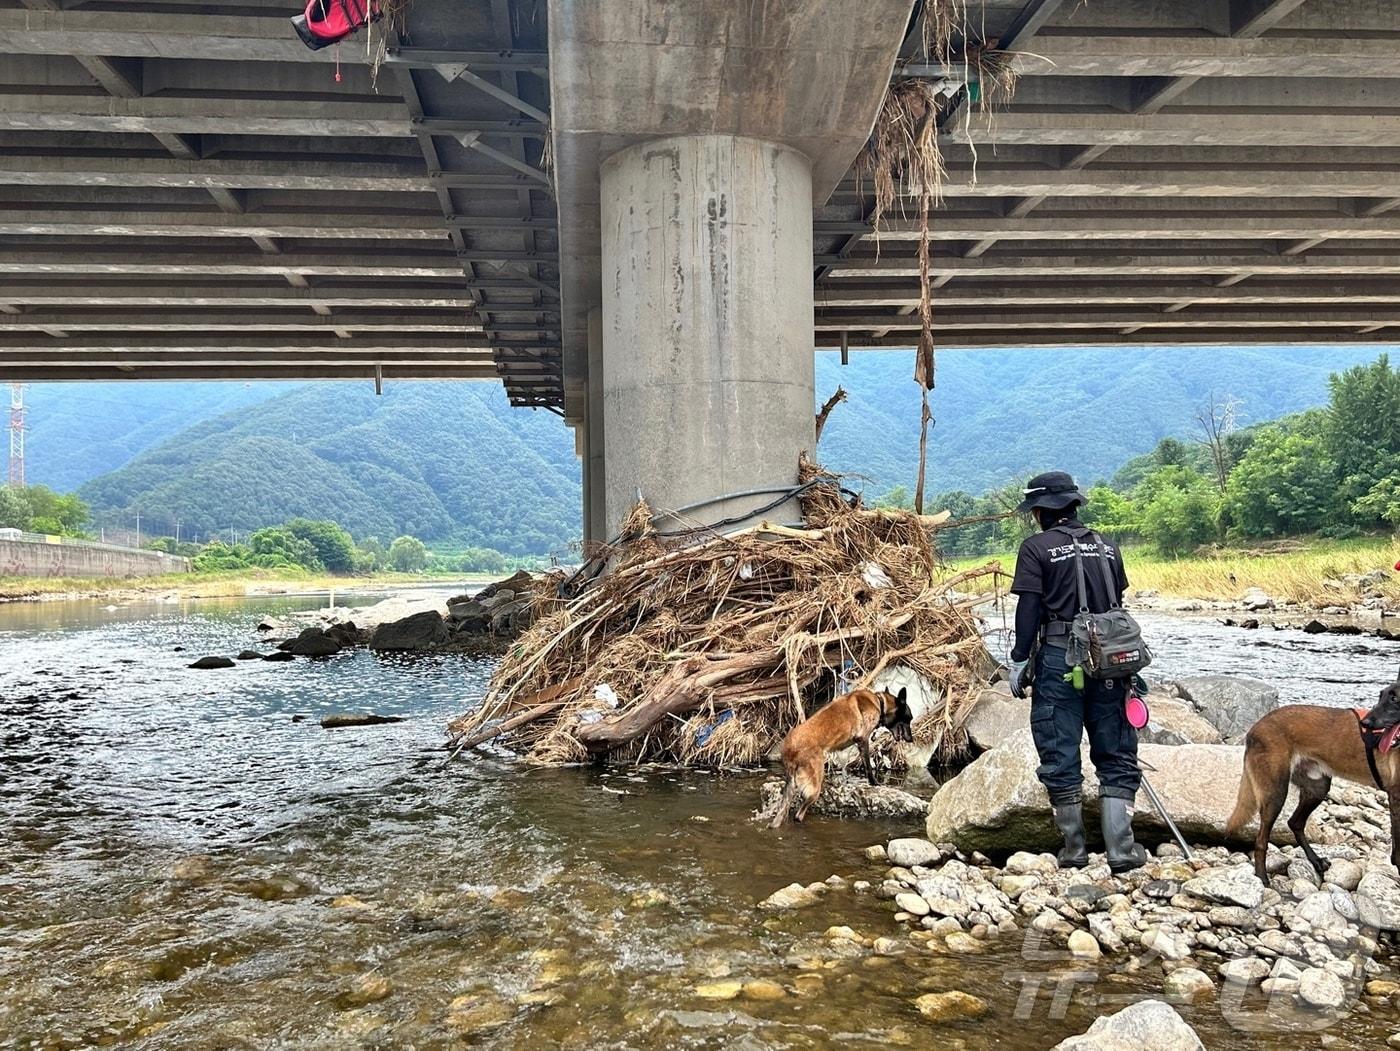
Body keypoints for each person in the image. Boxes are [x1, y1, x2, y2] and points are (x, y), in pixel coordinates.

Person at [1006, 471, 1148, 874]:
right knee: (1117, 750)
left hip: (1058, 660)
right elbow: (1115, 605)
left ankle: (1073, 850)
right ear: (1072, 505)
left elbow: (1029, 610)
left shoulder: (1035, 549)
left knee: (1058, 747)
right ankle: (1121, 850)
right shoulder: (1108, 546)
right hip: (1111, 663)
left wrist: (1019, 660)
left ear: (1041, 511)